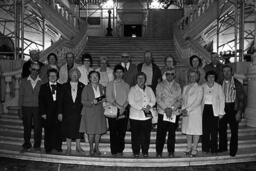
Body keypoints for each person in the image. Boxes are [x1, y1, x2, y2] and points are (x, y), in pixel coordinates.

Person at [219, 65, 246, 156]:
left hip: (233, 108)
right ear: (222, 73)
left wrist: (239, 112)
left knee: (234, 131)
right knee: (222, 129)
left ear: (232, 72)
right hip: (222, 108)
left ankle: (233, 150)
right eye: (224, 71)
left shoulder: (237, 83)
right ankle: (222, 148)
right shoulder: (219, 83)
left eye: (228, 71)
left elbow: (242, 99)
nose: (226, 73)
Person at [128, 72, 156, 158]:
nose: (141, 80)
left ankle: (145, 151)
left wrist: (149, 106)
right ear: (136, 80)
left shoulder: (149, 89)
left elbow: (153, 100)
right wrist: (142, 108)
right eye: (139, 78)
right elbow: (131, 101)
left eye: (142, 78)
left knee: (146, 136)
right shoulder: (132, 89)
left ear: (145, 79)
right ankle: (136, 151)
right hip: (135, 116)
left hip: (146, 117)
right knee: (135, 136)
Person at [79, 71, 107, 156]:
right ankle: (91, 148)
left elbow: (104, 97)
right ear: (89, 78)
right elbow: (83, 101)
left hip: (99, 112)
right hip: (89, 112)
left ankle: (97, 148)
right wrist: (92, 102)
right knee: (91, 133)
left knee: (98, 132)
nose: (95, 78)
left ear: (99, 78)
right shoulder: (86, 88)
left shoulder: (101, 87)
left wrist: (104, 100)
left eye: (96, 76)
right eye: (92, 76)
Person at [155, 69, 181, 158]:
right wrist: (166, 109)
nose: (170, 75)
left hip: (173, 113)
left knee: (172, 134)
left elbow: (180, 99)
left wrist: (172, 108)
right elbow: (158, 99)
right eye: (168, 74)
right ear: (165, 75)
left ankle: (171, 151)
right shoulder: (160, 85)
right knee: (160, 134)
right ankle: (159, 151)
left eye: (172, 74)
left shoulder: (177, 86)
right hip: (163, 112)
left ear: (174, 75)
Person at [58, 68, 84, 155]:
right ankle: (68, 148)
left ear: (79, 76)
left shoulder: (82, 86)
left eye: (76, 74)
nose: (74, 76)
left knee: (79, 129)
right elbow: (60, 101)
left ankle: (78, 147)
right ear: (70, 76)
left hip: (79, 112)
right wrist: (60, 112)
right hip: (67, 112)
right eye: (73, 74)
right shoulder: (64, 86)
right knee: (68, 129)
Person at [106, 65, 130, 156]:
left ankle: (120, 150)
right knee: (113, 131)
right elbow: (109, 97)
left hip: (124, 111)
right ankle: (114, 150)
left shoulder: (126, 85)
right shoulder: (110, 84)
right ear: (114, 73)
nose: (119, 74)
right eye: (117, 72)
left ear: (123, 73)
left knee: (122, 132)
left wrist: (124, 107)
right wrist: (120, 107)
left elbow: (128, 98)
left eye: (121, 72)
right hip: (113, 111)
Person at [19, 62, 43, 152]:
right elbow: (21, 96)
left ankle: (37, 145)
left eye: (37, 70)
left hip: (38, 107)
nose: (35, 71)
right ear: (30, 69)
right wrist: (19, 109)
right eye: (33, 69)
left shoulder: (42, 82)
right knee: (27, 126)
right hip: (26, 107)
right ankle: (27, 143)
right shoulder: (24, 81)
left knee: (38, 127)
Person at [39, 68, 62, 153]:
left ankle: (57, 147)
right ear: (48, 77)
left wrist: (61, 112)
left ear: (57, 77)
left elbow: (62, 101)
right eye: (51, 75)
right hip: (47, 113)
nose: (52, 77)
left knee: (58, 130)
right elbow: (41, 101)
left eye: (54, 75)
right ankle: (48, 148)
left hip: (58, 112)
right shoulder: (43, 87)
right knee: (48, 131)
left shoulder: (61, 87)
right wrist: (43, 113)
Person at [201, 70, 225, 154]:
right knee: (205, 131)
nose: (211, 78)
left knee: (214, 131)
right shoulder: (202, 86)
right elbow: (200, 99)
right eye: (209, 77)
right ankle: (205, 148)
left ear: (215, 78)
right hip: (204, 110)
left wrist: (221, 112)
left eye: (213, 77)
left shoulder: (218, 87)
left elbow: (222, 99)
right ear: (206, 78)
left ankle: (214, 149)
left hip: (215, 110)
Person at [181, 70, 203, 157]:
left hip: (195, 112)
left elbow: (198, 101)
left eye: (194, 76)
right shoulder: (185, 87)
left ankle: (194, 148)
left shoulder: (200, 88)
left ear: (197, 77)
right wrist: (183, 109)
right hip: (186, 112)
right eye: (190, 76)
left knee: (195, 130)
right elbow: (183, 99)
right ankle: (188, 147)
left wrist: (188, 109)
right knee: (188, 130)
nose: (192, 77)